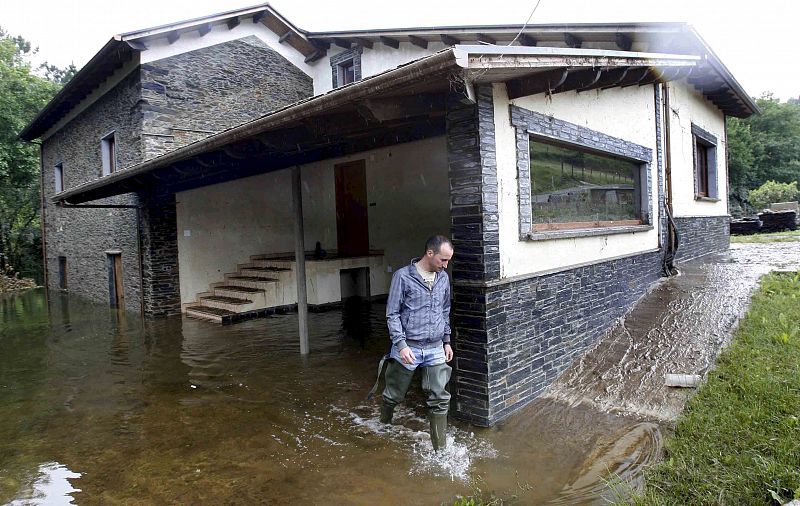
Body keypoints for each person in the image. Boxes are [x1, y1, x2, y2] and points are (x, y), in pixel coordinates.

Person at [381, 235, 454, 451]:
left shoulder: (443, 278)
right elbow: (392, 314)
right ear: (429, 253)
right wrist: (401, 345)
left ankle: (440, 452)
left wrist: (447, 341)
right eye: (443, 260)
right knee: (394, 394)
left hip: (435, 347)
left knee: (440, 398)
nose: (446, 265)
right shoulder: (402, 277)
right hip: (408, 346)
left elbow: (445, 310)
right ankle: (383, 423)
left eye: (448, 260)